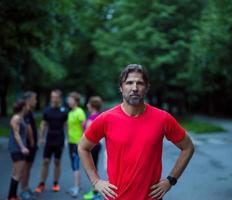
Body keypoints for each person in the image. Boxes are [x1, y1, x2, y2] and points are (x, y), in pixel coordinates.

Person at [78, 64, 195, 200]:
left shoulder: (163, 118)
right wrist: (96, 181)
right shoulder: (106, 119)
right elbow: (82, 147)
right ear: (121, 88)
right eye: (129, 83)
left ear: (146, 88)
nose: (134, 88)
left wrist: (171, 180)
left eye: (140, 83)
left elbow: (188, 147)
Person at [34, 89, 68, 193]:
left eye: (55, 97)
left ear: (59, 98)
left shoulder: (64, 111)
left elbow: (66, 125)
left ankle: (55, 183)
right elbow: (43, 124)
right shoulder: (47, 110)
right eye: (52, 96)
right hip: (49, 139)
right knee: (45, 161)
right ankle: (41, 184)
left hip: (59, 139)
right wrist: (41, 137)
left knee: (57, 161)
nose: (53, 99)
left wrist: (67, 139)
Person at [7, 99, 29, 200]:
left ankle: (13, 195)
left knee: (17, 173)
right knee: (17, 173)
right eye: (26, 105)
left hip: (18, 149)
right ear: (23, 107)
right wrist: (22, 147)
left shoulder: (21, 117)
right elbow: (16, 134)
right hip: (16, 149)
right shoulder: (16, 118)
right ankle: (12, 197)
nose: (28, 107)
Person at [82, 96, 103, 200]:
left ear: (92, 105)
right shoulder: (98, 116)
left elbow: (87, 133)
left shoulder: (91, 118)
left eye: (88, 103)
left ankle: (96, 192)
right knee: (93, 168)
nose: (87, 105)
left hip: (91, 147)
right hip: (97, 145)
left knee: (90, 169)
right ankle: (95, 191)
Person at [66, 92, 86, 197]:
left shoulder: (80, 112)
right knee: (73, 165)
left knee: (76, 165)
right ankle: (76, 185)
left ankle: (76, 188)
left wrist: (82, 141)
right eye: (68, 100)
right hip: (71, 142)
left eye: (70, 100)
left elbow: (85, 128)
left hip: (77, 143)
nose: (68, 101)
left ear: (76, 101)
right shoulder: (70, 112)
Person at [20, 91, 38, 200]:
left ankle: (26, 187)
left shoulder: (29, 110)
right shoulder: (26, 111)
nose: (36, 101)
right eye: (34, 99)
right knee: (26, 167)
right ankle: (23, 190)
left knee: (29, 167)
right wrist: (32, 142)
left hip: (31, 145)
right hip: (28, 144)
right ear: (28, 100)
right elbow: (28, 128)